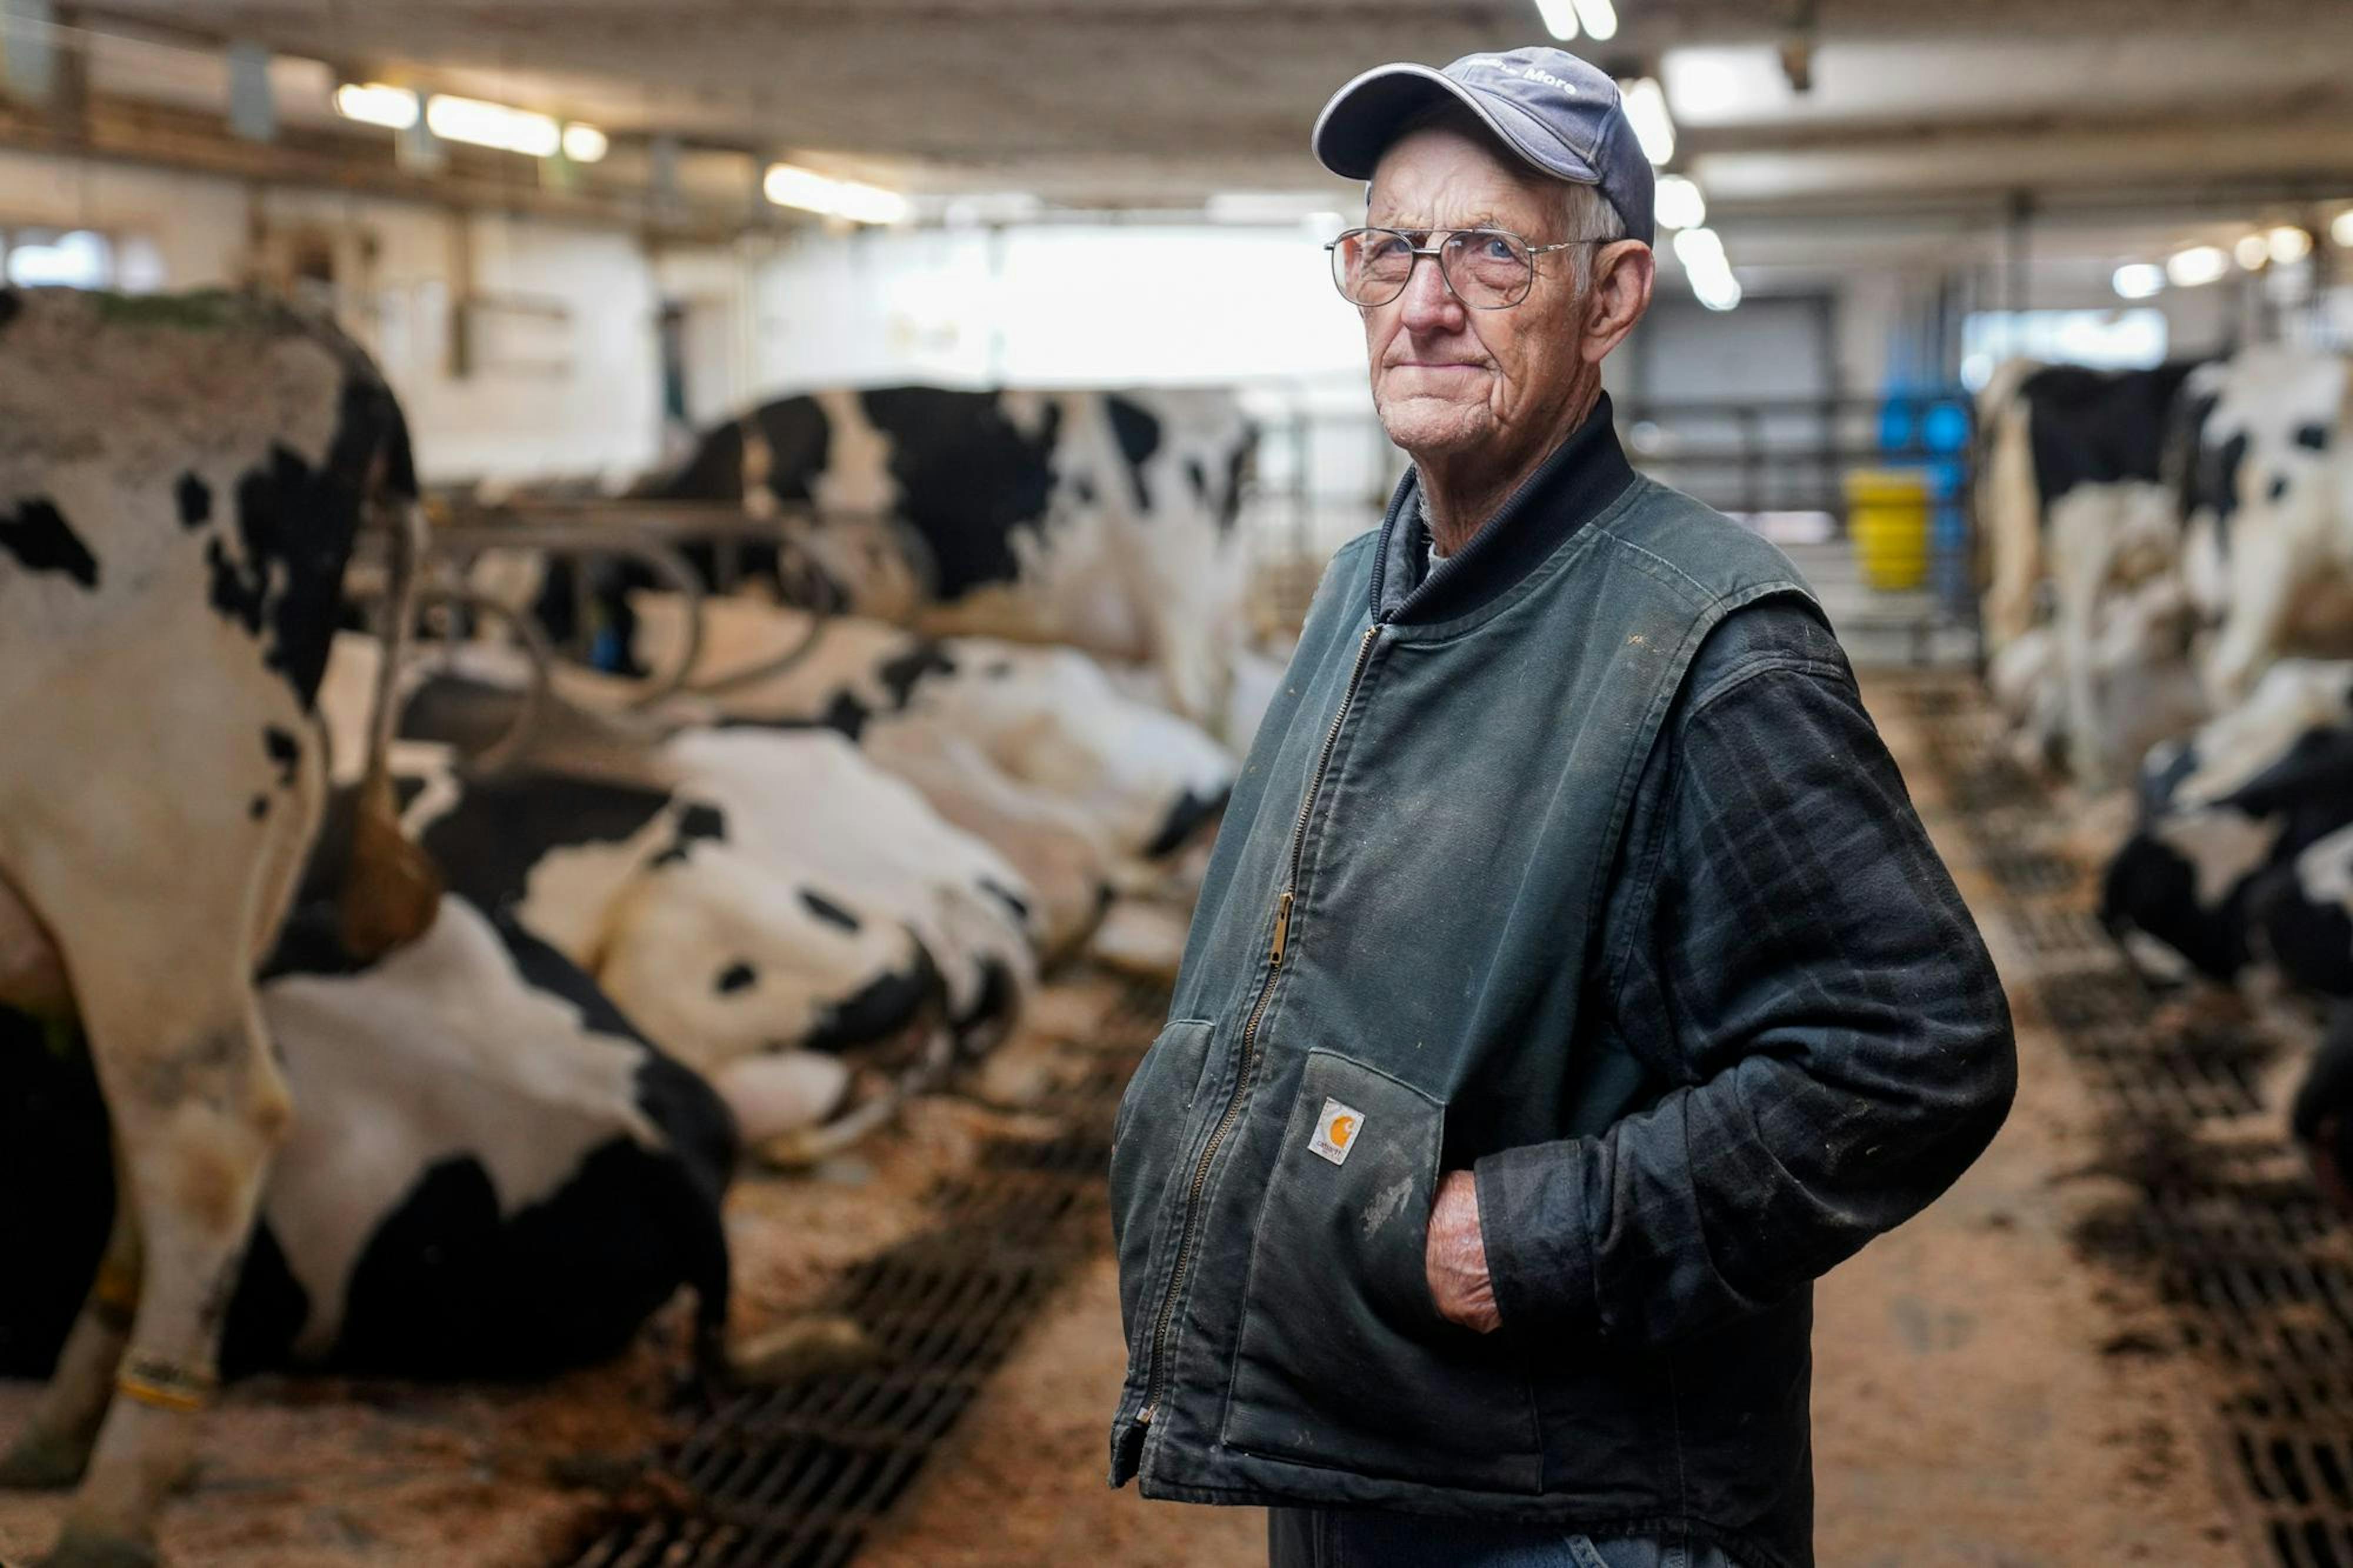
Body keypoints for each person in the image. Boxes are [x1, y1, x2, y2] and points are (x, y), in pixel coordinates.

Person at [1105, 44, 2017, 1568]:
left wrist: (1524, 1242)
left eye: (1489, 251)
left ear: (1610, 298)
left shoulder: (1710, 646)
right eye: (1389, 247)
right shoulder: (1365, 592)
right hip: (1360, 1448)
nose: (1423, 302)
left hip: (1572, 1512)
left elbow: (1911, 1050)